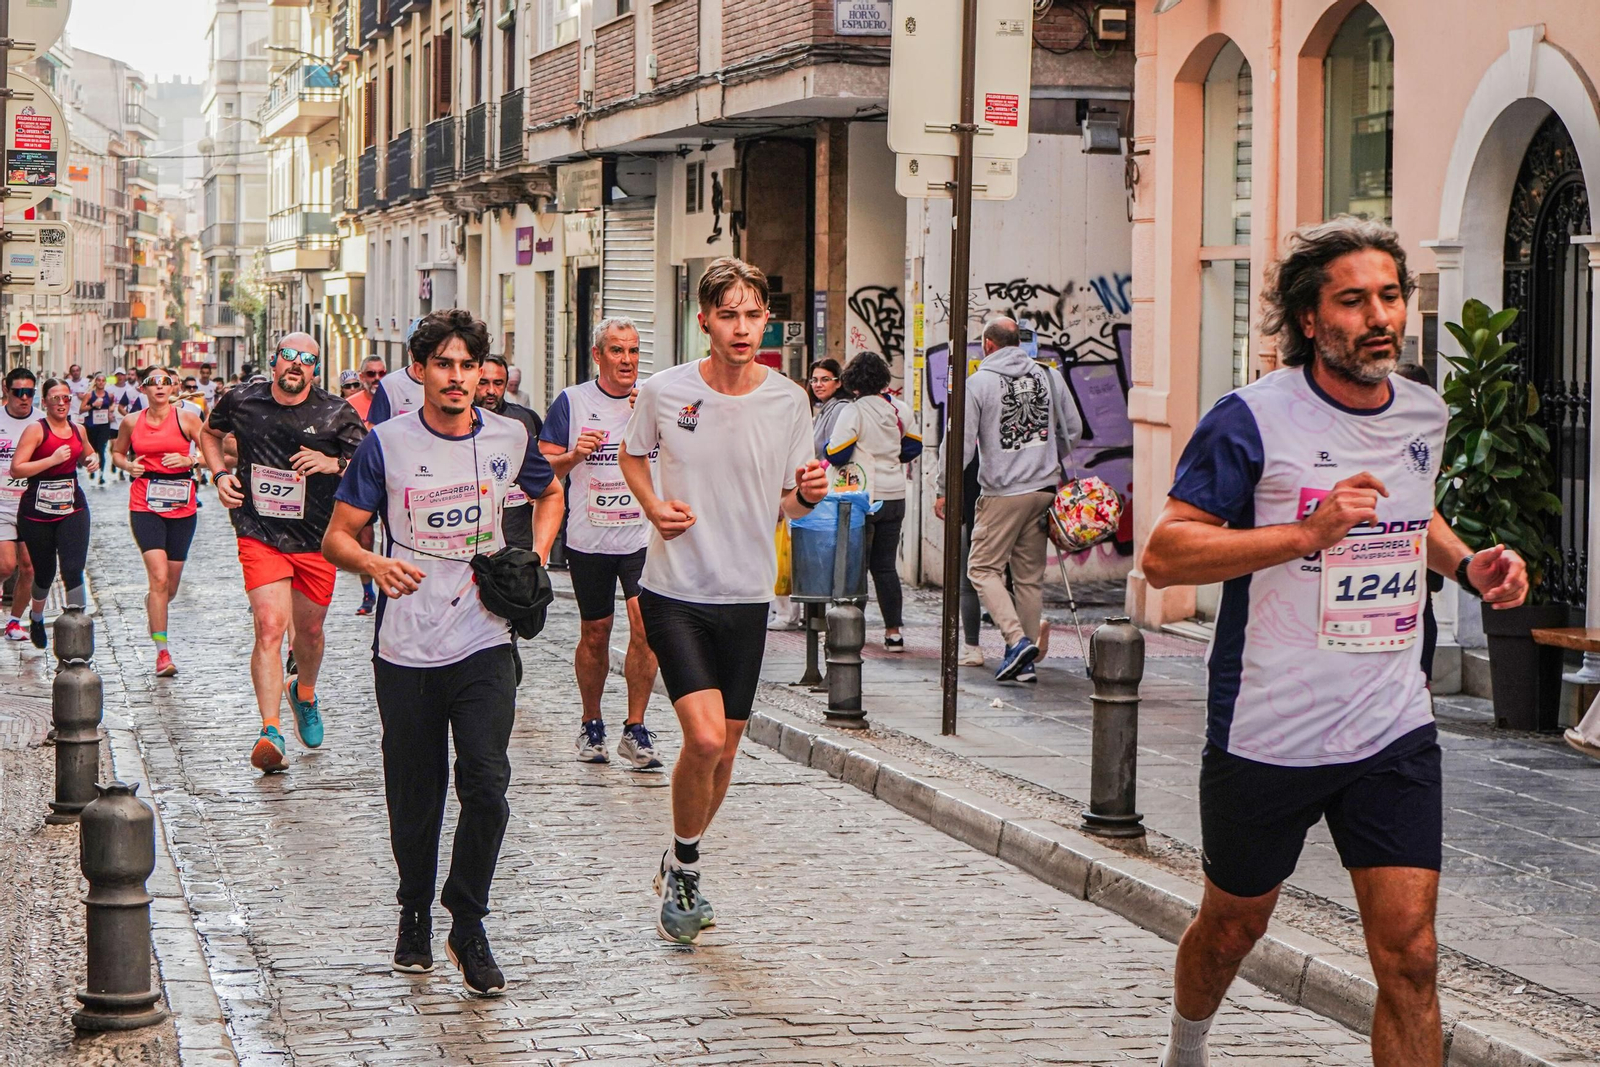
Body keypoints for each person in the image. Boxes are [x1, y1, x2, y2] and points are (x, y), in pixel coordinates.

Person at [1140, 217, 1529, 1067]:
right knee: (1234, 924)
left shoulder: (1422, 408)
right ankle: (1186, 1045)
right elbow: (1166, 554)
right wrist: (1302, 535)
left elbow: (1411, 514)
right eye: (1352, 300)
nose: (1378, 315)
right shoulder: (1250, 419)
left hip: (1390, 721)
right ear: (1310, 320)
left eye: (1389, 295)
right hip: (1268, 729)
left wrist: (1471, 565)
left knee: (1412, 956)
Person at [323, 308, 564, 996]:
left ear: (482, 373)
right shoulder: (386, 443)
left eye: (469, 366)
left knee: (487, 784)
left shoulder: (511, 435)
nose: (458, 378)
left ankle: (468, 918)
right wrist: (373, 566)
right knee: (415, 794)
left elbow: (550, 494)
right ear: (422, 371)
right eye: (445, 365)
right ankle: (413, 912)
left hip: (485, 634)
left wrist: (536, 554)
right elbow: (338, 536)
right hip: (406, 643)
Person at [619, 257, 827, 945]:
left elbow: (788, 503)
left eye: (753, 313)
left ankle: (680, 856)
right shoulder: (664, 390)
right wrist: (653, 506)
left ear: (766, 318)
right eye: (728, 314)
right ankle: (685, 866)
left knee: (728, 749)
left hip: (745, 593)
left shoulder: (789, 401)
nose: (742, 327)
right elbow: (632, 453)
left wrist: (809, 495)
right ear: (703, 320)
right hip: (675, 587)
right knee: (703, 736)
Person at [201, 332, 366, 773]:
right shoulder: (242, 401)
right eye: (289, 357)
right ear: (274, 361)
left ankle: (304, 694)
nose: (297, 365)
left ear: (316, 368)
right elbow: (209, 433)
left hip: (317, 537)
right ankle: (270, 730)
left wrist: (333, 464)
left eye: (307, 360)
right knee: (270, 628)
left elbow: (369, 466)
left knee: (307, 634)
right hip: (260, 531)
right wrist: (219, 476)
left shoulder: (337, 412)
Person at [541, 318, 662, 769]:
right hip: (589, 537)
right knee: (596, 632)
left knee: (644, 626)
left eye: (632, 351)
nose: (627, 360)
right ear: (598, 355)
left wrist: (651, 420)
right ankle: (592, 722)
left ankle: (636, 727)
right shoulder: (572, 402)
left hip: (640, 534)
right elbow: (543, 468)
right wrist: (574, 455)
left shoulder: (651, 400)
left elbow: (683, 456)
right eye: (617, 351)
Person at [935, 317, 1081, 682]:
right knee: (1029, 578)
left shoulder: (979, 383)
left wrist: (943, 488)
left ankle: (1016, 642)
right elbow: (1072, 430)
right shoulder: (1049, 376)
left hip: (1003, 492)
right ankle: (1025, 664)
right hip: (1044, 490)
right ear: (1018, 342)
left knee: (982, 568)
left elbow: (960, 444)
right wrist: (1047, 459)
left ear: (987, 345)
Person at [112, 368, 204, 677]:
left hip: (182, 505)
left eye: (166, 382)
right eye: (154, 383)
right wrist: (127, 465)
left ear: (174, 387)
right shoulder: (131, 422)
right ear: (143, 389)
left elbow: (211, 451)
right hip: (144, 503)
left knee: (170, 586)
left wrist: (191, 460)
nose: (160, 387)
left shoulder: (187, 419)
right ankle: (162, 653)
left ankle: (155, 605)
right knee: (160, 578)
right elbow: (117, 452)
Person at [825, 351, 920, 651]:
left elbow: (836, 453)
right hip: (894, 496)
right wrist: (891, 456)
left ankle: (854, 630)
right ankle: (894, 633)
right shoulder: (899, 408)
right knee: (885, 567)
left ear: (852, 382)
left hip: (862, 498)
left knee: (857, 566)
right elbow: (912, 447)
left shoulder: (853, 411)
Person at [9, 379, 99, 648]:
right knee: (44, 573)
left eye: (66, 398)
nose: (61, 403)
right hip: (37, 512)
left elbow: (87, 455)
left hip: (72, 508)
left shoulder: (78, 430)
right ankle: (36, 617)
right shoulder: (36, 430)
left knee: (73, 568)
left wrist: (92, 460)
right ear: (45, 402)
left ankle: (76, 635)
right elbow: (17, 469)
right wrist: (51, 460)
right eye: (55, 398)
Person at [476, 355, 542, 554]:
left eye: (498, 383)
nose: (491, 391)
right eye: (483, 383)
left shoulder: (525, 419)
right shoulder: (456, 422)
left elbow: (546, 471)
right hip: (473, 536)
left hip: (518, 538)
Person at [0, 367, 38, 642]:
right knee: (5, 566)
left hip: (32, 504)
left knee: (30, 568)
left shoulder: (41, 422)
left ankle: (14, 622)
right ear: (6, 389)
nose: (24, 398)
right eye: (18, 392)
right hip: (1, 505)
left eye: (30, 393)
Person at [80, 373, 118, 485]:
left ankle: (101, 475)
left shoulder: (109, 395)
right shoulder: (89, 395)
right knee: (93, 450)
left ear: (105, 382)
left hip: (104, 426)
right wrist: (93, 405)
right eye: (99, 380)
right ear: (95, 382)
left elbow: (111, 406)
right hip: (91, 426)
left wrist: (110, 412)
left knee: (102, 449)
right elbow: (81, 409)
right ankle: (92, 469)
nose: (101, 382)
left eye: (103, 380)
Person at [807, 358, 848, 461]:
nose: (818, 385)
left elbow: (834, 449)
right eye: (814, 380)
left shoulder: (840, 408)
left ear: (838, 383)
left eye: (825, 380)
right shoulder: (824, 410)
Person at [368, 350, 423, 424]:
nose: (377, 377)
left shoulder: (443, 382)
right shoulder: (389, 384)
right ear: (410, 352)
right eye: (371, 373)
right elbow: (374, 427)